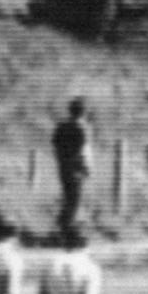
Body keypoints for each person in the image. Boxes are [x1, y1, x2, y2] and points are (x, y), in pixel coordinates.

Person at [51, 96, 96, 230]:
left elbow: (55, 145)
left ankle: (62, 228)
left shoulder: (61, 126)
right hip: (77, 169)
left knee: (68, 199)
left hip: (63, 167)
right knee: (75, 201)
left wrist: (61, 160)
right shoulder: (82, 127)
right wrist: (87, 168)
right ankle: (64, 230)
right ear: (84, 111)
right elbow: (84, 149)